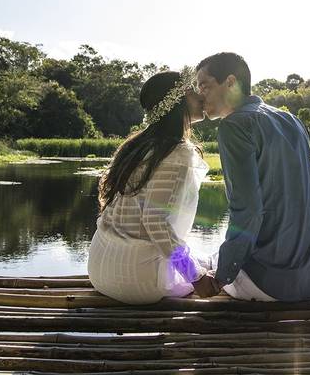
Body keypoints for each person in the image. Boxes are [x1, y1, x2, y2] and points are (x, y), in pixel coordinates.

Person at [194, 52, 310, 302]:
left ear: (230, 82)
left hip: (272, 286)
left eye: (204, 86)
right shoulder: (291, 119)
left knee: (203, 262)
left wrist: (219, 278)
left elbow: (247, 210)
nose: (199, 96)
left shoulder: (234, 126)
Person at [87, 69, 217, 304]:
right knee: (211, 265)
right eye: (192, 90)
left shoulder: (138, 144)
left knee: (199, 257)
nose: (200, 96)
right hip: (135, 280)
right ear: (177, 101)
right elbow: (155, 222)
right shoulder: (178, 152)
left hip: (99, 268)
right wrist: (195, 277)